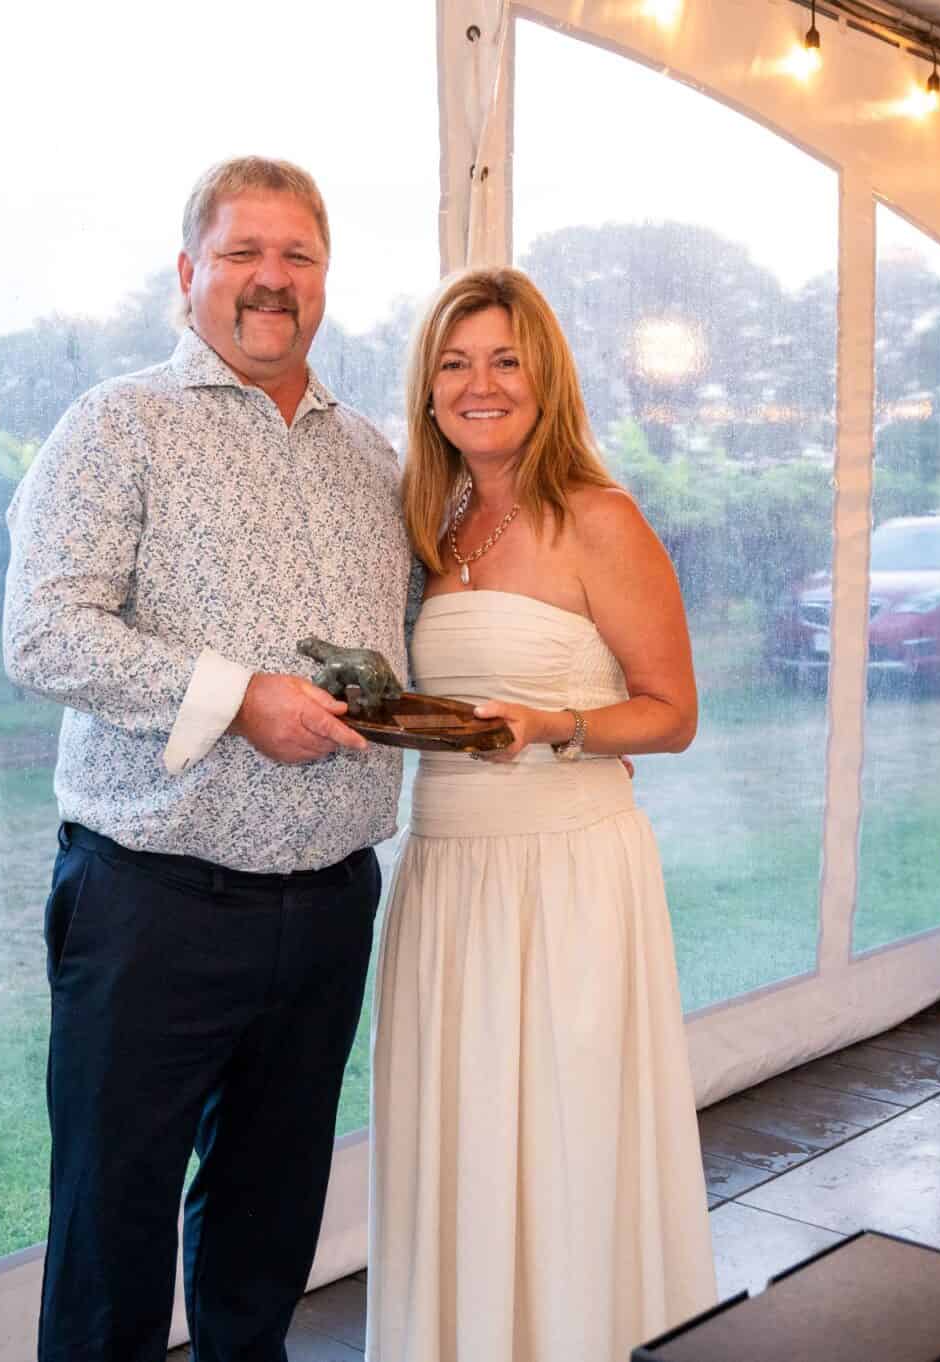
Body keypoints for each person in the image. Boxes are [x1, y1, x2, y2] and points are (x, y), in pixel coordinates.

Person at [3, 156, 412, 1362]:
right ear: (189, 276)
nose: (269, 280)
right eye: (242, 254)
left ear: (325, 280)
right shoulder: (116, 425)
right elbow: (41, 633)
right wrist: (236, 700)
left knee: (266, 1225)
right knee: (107, 1228)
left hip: (331, 900)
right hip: (152, 905)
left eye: (296, 257)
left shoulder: (372, 459)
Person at [367, 268, 716, 1361]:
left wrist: (553, 723)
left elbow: (671, 716)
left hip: (565, 874)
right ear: (427, 393)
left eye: (504, 360)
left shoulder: (598, 518)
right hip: (447, 871)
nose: (479, 384)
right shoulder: (431, 524)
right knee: (457, 1139)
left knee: (566, 1139)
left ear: (544, 379)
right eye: (454, 363)